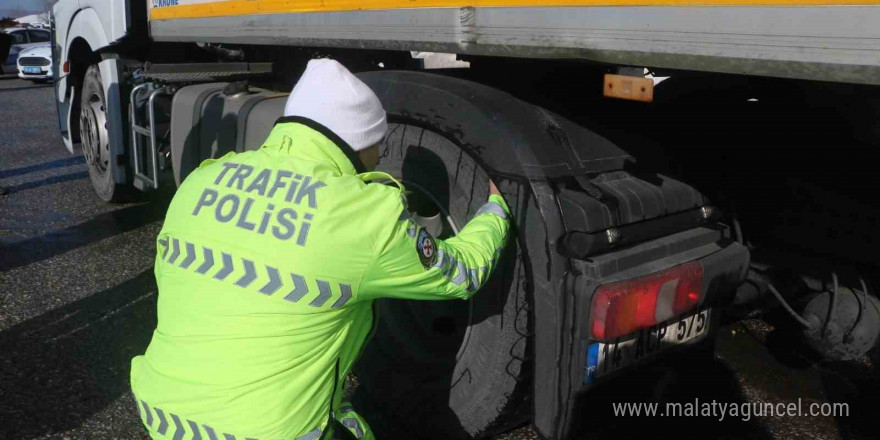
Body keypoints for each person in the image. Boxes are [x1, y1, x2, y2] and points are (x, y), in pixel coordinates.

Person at [130, 58, 510, 440]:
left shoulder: (202, 179)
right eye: (378, 144)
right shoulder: (362, 217)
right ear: (358, 143)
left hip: (161, 413)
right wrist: (497, 209)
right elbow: (461, 273)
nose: (379, 156)